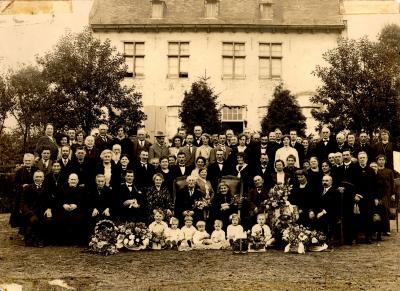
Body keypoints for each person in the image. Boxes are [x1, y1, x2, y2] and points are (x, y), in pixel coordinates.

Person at [19, 170, 52, 247]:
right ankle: (32, 239)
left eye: (40, 177)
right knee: (34, 220)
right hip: (31, 211)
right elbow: (23, 203)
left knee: (45, 219)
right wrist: (29, 213)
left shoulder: (47, 188)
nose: (38, 178)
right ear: (33, 178)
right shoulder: (28, 188)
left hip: (43, 211)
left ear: (43, 178)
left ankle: (41, 240)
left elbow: (51, 200)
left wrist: (49, 208)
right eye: (37, 177)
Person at [53, 173, 87, 244]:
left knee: (80, 218)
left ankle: (76, 240)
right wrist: (63, 205)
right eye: (71, 179)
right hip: (64, 210)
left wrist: (76, 205)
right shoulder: (62, 189)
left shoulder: (82, 190)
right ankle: (63, 240)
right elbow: (57, 200)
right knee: (60, 218)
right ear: (68, 180)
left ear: (78, 181)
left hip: (77, 210)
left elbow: (85, 202)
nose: (73, 181)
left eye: (74, 180)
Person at [375, 155, 395, 235]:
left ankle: (386, 229)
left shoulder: (389, 171)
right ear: (377, 161)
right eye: (379, 160)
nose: (381, 161)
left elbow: (392, 183)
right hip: (377, 192)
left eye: (383, 160)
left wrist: (393, 194)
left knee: (385, 209)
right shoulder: (375, 170)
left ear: (385, 161)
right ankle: (378, 229)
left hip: (387, 193)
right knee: (378, 209)